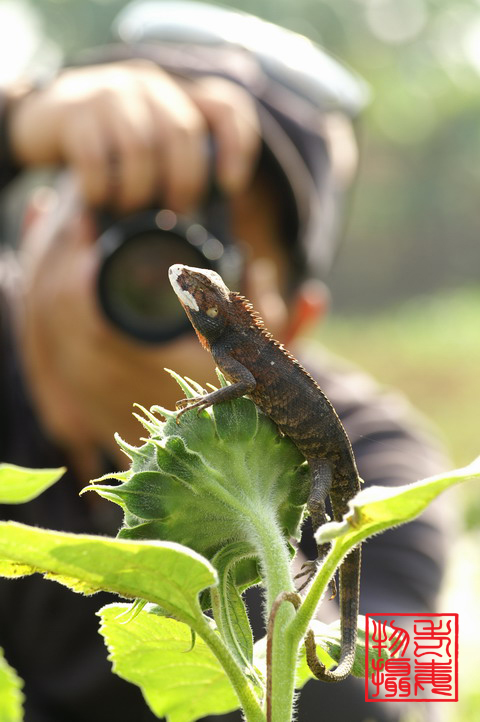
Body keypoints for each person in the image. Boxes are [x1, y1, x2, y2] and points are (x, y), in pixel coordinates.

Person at [0, 3, 450, 720]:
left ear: (293, 322)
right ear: (31, 222)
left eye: (214, 247)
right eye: (119, 211)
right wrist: (15, 124)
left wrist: (249, 537)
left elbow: (419, 689)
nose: (155, 269)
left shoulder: (395, 463)